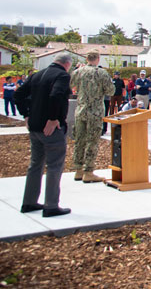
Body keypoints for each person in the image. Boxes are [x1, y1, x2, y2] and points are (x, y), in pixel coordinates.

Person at [14, 52, 73, 217]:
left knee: (35, 165)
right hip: (50, 129)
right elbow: (56, 95)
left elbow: (18, 95)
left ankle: (29, 201)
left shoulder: (37, 75)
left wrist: (26, 114)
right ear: (67, 64)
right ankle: (51, 205)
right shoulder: (62, 76)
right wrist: (53, 118)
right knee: (54, 165)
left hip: (34, 127)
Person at [69, 52, 115, 183]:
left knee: (80, 140)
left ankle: (78, 170)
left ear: (86, 58)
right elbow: (111, 91)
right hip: (95, 111)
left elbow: (70, 84)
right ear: (98, 59)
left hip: (80, 110)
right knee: (92, 141)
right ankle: (88, 171)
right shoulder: (101, 73)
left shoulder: (78, 72)